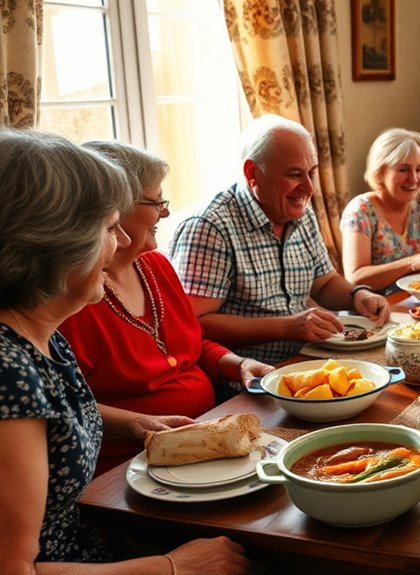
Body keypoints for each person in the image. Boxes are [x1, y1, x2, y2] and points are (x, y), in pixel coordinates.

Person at [0, 130, 247, 573]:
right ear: (56, 242)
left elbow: (60, 418)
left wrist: (136, 423)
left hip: (95, 539)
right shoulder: (9, 373)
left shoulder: (40, 335)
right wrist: (176, 566)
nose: (119, 246)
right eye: (110, 229)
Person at [59, 141, 274, 476]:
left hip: (207, 434)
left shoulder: (155, 266)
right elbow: (66, 406)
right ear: (115, 206)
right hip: (132, 461)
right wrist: (137, 424)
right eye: (156, 201)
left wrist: (239, 364)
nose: (167, 212)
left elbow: (190, 345)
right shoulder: (75, 298)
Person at [170, 114, 390, 366]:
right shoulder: (210, 227)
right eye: (295, 174)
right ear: (252, 173)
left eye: (312, 173)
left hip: (308, 358)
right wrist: (286, 327)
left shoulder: (300, 211)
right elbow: (196, 324)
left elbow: (324, 282)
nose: (309, 188)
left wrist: (357, 295)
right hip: (250, 376)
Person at [340, 127, 420, 289]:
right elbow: (355, 278)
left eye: (419, 169)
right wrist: (413, 263)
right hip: (379, 307)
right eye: (403, 169)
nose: (414, 179)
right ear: (380, 172)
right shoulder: (360, 211)